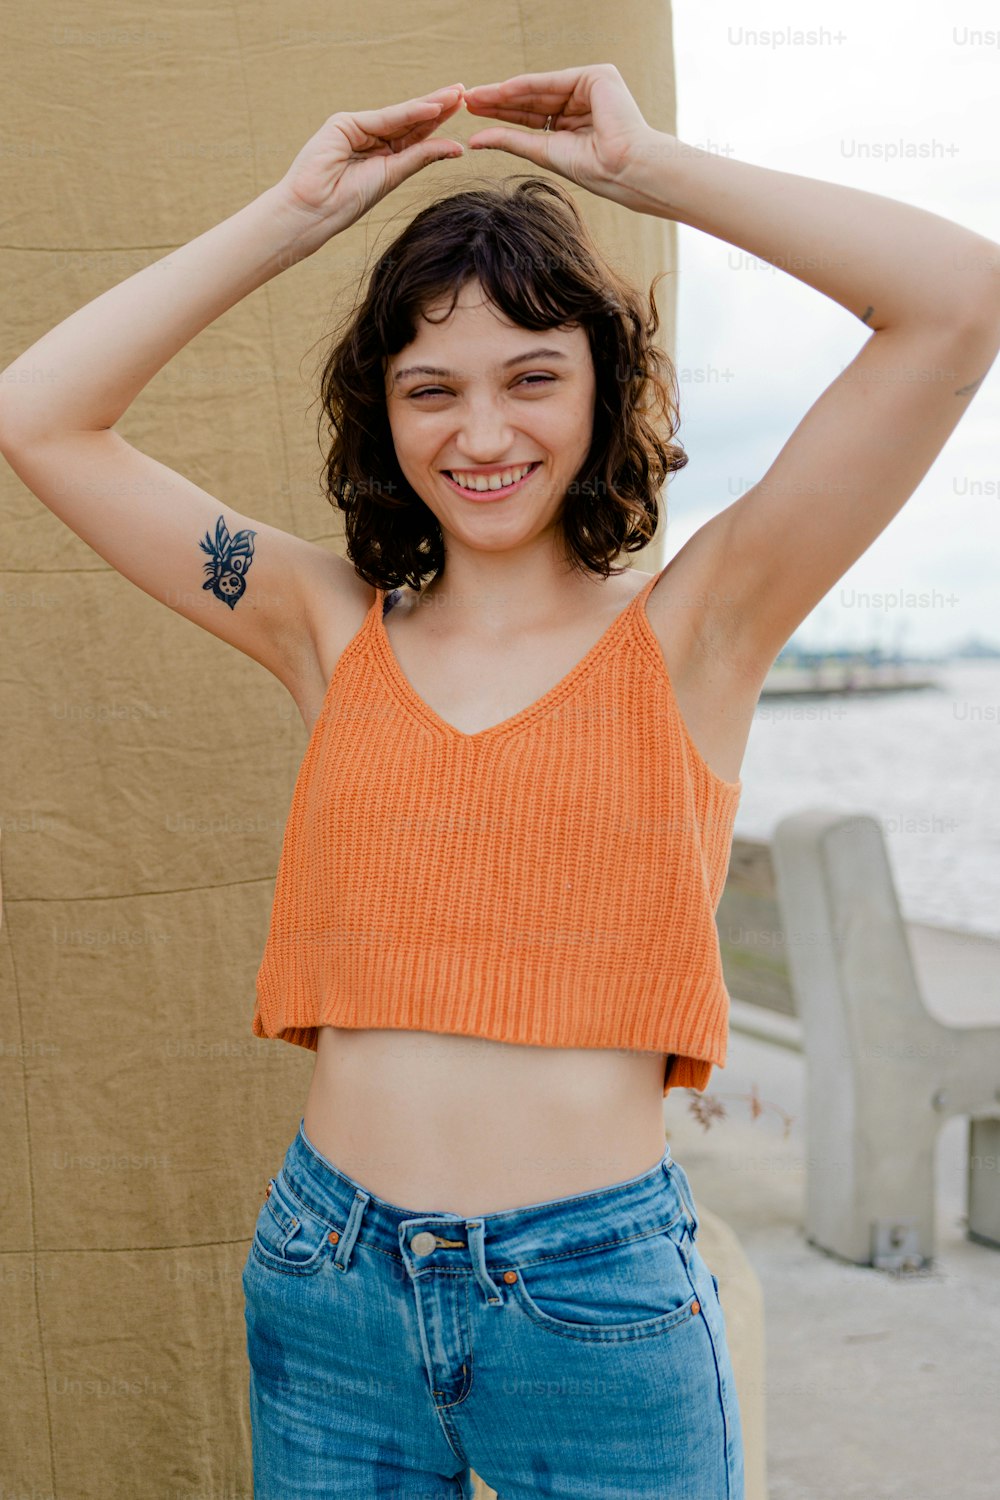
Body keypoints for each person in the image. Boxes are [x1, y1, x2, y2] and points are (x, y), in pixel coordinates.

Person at [1, 62, 996, 1500]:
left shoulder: (701, 624)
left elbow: (960, 298)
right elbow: (38, 414)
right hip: (327, 1280)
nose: (483, 434)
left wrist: (645, 170)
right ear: (384, 415)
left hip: (595, 1305)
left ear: (603, 381)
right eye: (432, 390)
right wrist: (293, 216)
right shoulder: (322, 626)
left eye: (533, 376)